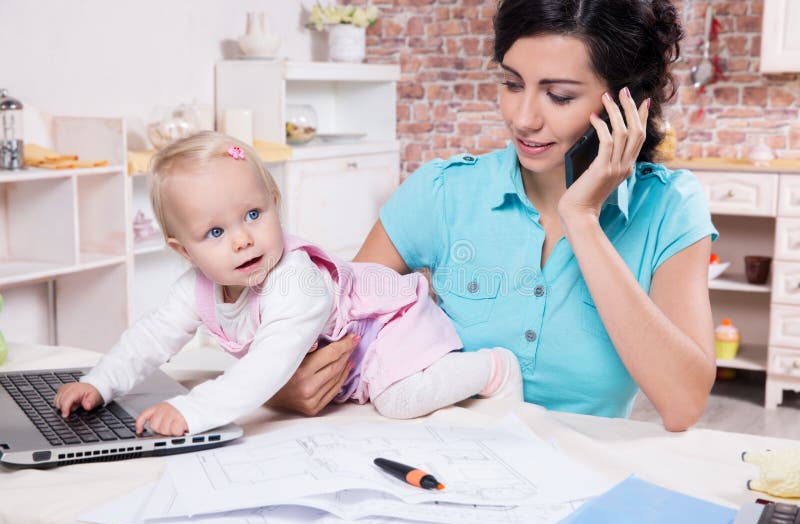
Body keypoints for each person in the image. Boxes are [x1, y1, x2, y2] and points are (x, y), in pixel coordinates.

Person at [271, 0, 718, 432]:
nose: (522, 118)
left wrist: (581, 217)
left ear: (627, 104)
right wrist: (281, 386)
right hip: (440, 464)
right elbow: (335, 331)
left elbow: (682, 406)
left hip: (584, 479)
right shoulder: (443, 192)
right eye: (512, 84)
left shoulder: (669, 209)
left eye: (559, 96)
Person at [53, 132, 522, 437]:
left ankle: (492, 368)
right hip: (344, 356)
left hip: (388, 326)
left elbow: (270, 363)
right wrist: (101, 382)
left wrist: (194, 411)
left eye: (254, 215)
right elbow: (149, 339)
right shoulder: (193, 290)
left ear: (275, 203)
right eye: (215, 233)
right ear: (183, 250)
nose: (242, 239)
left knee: (397, 402)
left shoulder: (294, 279)